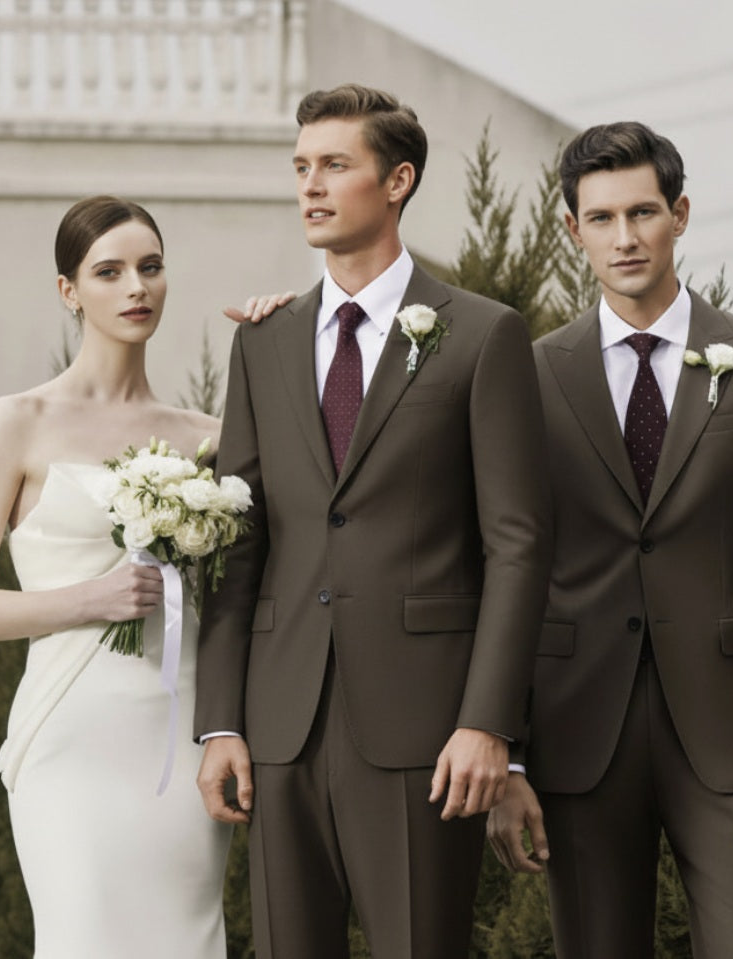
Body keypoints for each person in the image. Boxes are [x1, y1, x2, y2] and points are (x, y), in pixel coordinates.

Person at [195, 83, 552, 958]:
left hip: (426, 728)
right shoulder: (263, 341)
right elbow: (239, 541)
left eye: (334, 166)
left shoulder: (480, 336)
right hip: (281, 725)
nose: (310, 186)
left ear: (396, 181)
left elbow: (516, 545)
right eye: (301, 168)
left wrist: (489, 725)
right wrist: (221, 722)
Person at [486, 122, 733, 959]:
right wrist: (509, 753)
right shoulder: (527, 375)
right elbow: (502, 559)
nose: (623, 236)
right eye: (600, 218)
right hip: (577, 728)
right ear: (571, 230)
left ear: (678, 214)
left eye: (641, 212)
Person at [0, 195, 231, 959]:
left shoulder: (207, 438)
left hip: (180, 737)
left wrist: (277, 334)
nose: (136, 287)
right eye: (110, 271)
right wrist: (89, 599)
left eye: (151, 268)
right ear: (69, 290)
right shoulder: (16, 422)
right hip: (71, 740)